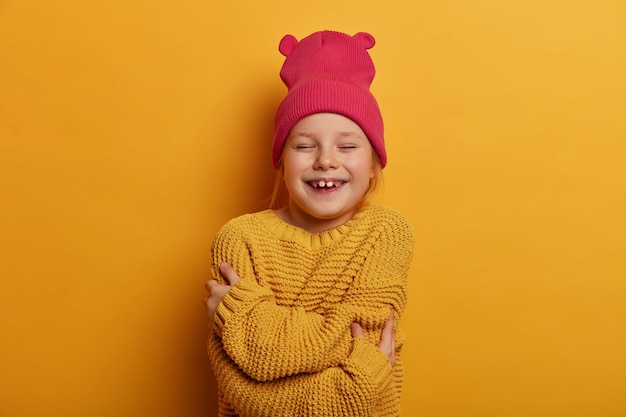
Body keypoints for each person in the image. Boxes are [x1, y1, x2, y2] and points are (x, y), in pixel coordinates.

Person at [204, 30, 414, 417]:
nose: (325, 160)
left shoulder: (387, 232)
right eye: (304, 145)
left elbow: (365, 333)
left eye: (347, 145)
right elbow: (236, 384)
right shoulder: (240, 240)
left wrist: (248, 319)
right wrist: (358, 377)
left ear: (372, 166)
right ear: (282, 161)